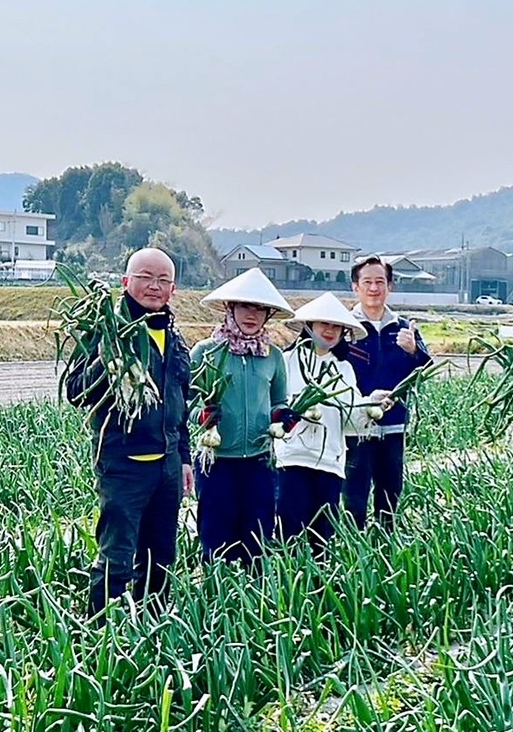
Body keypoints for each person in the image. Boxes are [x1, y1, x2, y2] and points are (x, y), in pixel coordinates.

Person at [65, 247, 194, 618]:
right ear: (125, 282)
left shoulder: (175, 337)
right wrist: (108, 359)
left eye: (163, 280)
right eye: (145, 277)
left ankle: (152, 626)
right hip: (123, 465)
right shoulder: (104, 331)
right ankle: (100, 633)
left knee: (160, 555)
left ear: (173, 289)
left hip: (167, 466)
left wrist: (183, 458)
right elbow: (76, 391)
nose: (154, 286)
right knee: (117, 556)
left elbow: (180, 405)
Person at [191, 268, 294, 571]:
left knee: (259, 535)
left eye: (260, 308)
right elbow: (186, 402)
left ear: (268, 315)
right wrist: (203, 415)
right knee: (215, 533)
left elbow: (278, 401)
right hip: (216, 461)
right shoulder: (206, 352)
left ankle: (253, 603)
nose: (252, 314)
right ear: (229, 309)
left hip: (260, 461)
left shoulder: (273, 357)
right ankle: (216, 595)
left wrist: (283, 419)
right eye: (245, 306)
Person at [274, 292, 386, 557]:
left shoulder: (344, 369)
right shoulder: (286, 361)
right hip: (291, 460)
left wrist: (371, 406)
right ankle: (284, 590)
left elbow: (350, 420)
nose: (330, 330)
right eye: (323, 323)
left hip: (329, 463)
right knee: (286, 534)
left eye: (336, 326)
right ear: (308, 326)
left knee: (321, 540)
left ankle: (318, 589)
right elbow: (274, 406)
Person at [339, 255, 431, 531]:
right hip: (355, 427)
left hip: (393, 426)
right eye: (367, 282)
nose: (374, 288)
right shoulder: (344, 327)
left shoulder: (404, 328)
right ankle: (354, 555)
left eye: (380, 282)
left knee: (389, 496)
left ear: (389, 286)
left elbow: (424, 370)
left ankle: (384, 549)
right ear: (355, 287)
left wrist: (414, 351)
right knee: (353, 498)